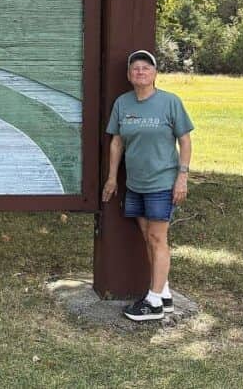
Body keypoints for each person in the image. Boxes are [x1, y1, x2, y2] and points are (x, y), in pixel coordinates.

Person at [102, 50, 193, 322]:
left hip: (162, 182)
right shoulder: (123, 103)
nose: (140, 72)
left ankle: (152, 302)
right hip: (136, 183)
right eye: (135, 69)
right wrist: (112, 177)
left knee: (157, 238)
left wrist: (182, 177)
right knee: (147, 237)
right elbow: (117, 142)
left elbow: (185, 142)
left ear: (154, 74)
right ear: (129, 76)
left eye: (145, 68)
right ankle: (163, 292)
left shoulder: (170, 102)